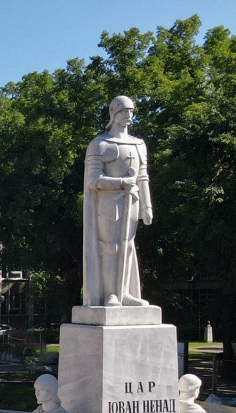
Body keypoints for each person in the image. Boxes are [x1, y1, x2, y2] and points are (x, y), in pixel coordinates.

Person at [83, 95, 153, 307]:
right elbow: (93, 180)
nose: (128, 116)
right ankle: (111, 295)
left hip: (132, 203)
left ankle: (125, 293)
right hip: (108, 204)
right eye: (124, 111)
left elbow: (143, 177)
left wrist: (147, 206)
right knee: (110, 248)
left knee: (128, 247)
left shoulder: (139, 144)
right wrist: (122, 182)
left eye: (131, 111)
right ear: (114, 113)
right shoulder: (100, 144)